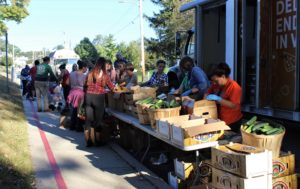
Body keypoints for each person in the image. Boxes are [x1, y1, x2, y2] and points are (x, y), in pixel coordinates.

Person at [84, 57, 116, 147]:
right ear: (103, 65)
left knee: (88, 120)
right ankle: (97, 141)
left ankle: (88, 141)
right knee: (98, 120)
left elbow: (84, 85)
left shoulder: (90, 73)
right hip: (99, 98)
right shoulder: (105, 75)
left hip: (88, 97)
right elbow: (111, 87)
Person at [205, 62, 243, 132]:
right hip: (219, 120)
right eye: (212, 81)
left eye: (216, 81)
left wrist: (218, 99)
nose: (214, 83)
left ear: (223, 76)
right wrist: (205, 101)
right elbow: (207, 93)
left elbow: (233, 105)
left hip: (232, 122)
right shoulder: (215, 84)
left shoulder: (234, 87)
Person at [67, 60, 88, 131]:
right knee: (80, 111)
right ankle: (79, 127)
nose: (86, 70)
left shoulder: (71, 74)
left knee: (74, 110)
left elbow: (67, 83)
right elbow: (86, 85)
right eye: (86, 68)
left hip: (72, 93)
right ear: (84, 67)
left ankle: (72, 126)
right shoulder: (84, 76)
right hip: (80, 94)